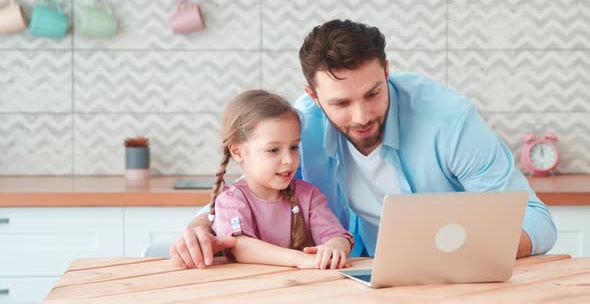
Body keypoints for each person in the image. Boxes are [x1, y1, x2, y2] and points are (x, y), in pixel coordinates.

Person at [170, 19, 557, 269]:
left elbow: (537, 222)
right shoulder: (302, 126)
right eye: (340, 103)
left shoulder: (449, 121)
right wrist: (198, 225)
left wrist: (457, 254)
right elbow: (250, 191)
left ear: (387, 72)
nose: (361, 116)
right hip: (352, 277)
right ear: (313, 96)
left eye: (373, 93)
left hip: (454, 276)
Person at [177, 89, 353, 270]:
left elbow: (337, 235)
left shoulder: (309, 195)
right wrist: (300, 260)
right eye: (273, 150)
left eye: (294, 147)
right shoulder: (231, 200)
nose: (289, 160)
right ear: (238, 152)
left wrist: (335, 247)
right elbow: (240, 246)